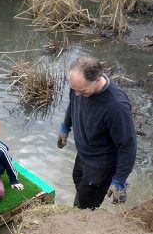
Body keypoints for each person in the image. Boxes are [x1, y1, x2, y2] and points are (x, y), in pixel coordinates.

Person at [57, 56, 137, 209]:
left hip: (100, 165)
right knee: (78, 180)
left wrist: (119, 180)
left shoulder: (117, 107)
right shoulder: (78, 87)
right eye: (75, 89)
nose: (77, 94)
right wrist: (65, 127)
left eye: (82, 90)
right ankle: (85, 201)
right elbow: (72, 106)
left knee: (84, 204)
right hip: (83, 154)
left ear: (98, 79)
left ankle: (84, 217)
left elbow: (128, 146)